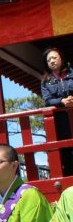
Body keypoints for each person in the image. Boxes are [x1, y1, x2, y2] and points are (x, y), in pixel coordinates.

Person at [40, 46, 73, 177]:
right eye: (49, 60)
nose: (52, 61)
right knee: (66, 152)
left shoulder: (72, 74)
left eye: (54, 57)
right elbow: (47, 101)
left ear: (61, 59)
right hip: (61, 121)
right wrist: (62, 101)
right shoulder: (45, 81)